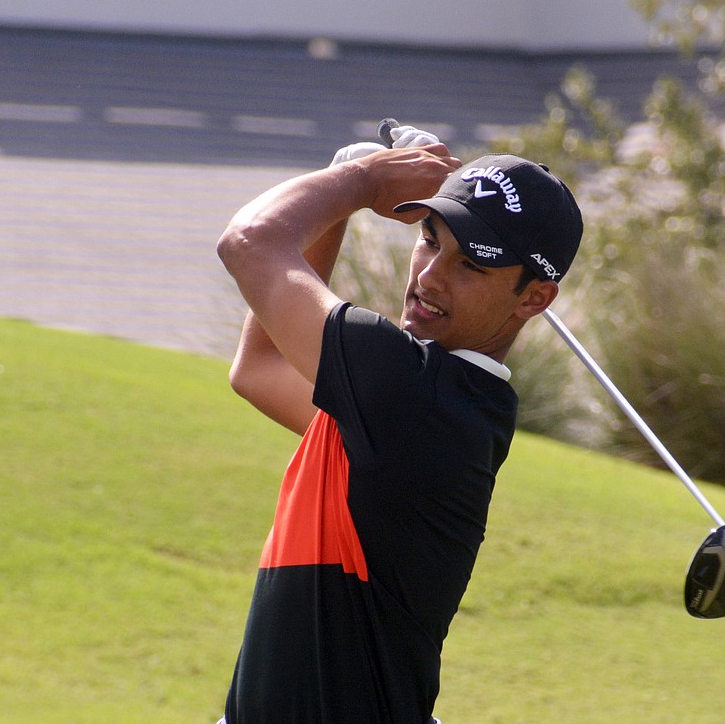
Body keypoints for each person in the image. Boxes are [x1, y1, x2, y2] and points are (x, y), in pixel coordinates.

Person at [214, 126, 584, 724]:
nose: (430, 276)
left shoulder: (412, 398)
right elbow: (261, 369)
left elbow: (249, 241)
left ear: (534, 298)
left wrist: (361, 181)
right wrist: (345, 187)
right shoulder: (434, 403)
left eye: (470, 266)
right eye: (430, 240)